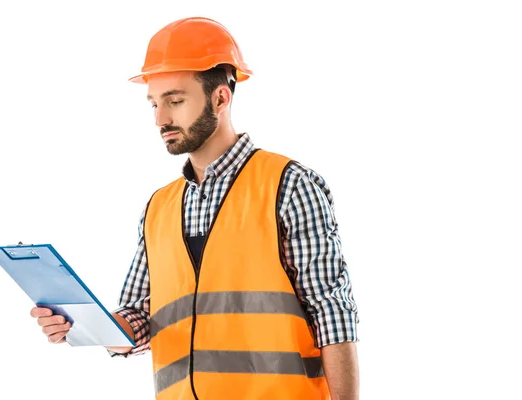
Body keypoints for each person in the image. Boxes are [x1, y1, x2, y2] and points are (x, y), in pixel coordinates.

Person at [30, 16, 360, 400]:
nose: (160, 119)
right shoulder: (159, 207)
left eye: (175, 100)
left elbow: (332, 313)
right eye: (154, 103)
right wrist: (85, 325)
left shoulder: (287, 185)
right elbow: (140, 316)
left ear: (221, 97)